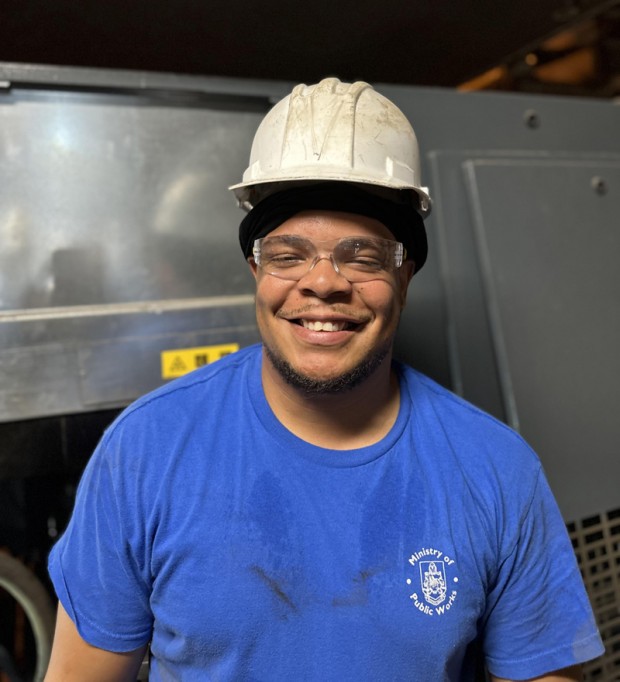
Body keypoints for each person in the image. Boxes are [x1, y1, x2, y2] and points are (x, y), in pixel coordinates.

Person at [44, 78, 603, 681]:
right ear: (256, 270)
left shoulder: (497, 471)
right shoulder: (146, 449)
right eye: (288, 256)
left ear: (405, 278)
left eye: (362, 257)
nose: (323, 283)